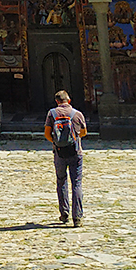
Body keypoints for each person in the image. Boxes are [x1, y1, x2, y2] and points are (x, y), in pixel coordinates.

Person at [45, 89, 88, 226]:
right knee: (76, 183)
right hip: (76, 152)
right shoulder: (77, 114)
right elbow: (84, 132)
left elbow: (47, 133)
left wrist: (57, 143)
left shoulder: (51, 114)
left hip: (59, 153)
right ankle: (78, 217)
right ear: (69, 100)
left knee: (61, 181)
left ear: (57, 101)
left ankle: (64, 214)